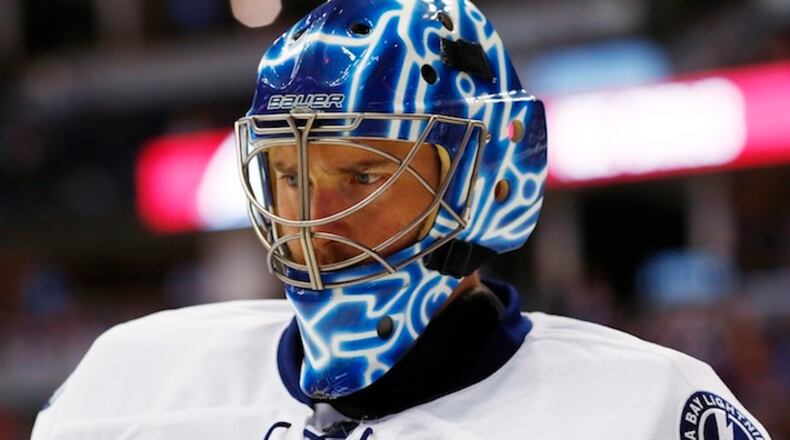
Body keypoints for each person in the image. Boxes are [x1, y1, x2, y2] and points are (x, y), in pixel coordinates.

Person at [32, 0, 772, 439]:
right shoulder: (127, 382)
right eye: (289, 175)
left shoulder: (647, 411)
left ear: (488, 178)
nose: (313, 217)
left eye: (363, 174)